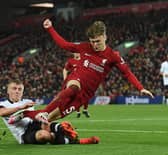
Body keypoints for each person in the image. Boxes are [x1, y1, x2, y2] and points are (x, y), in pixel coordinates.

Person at [11, 19, 154, 123]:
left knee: (53, 117)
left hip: (86, 94)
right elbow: (64, 44)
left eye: (97, 41)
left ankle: (25, 114)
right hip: (74, 80)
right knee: (73, 87)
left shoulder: (113, 56)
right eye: (92, 41)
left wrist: (140, 88)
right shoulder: (84, 47)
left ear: (105, 37)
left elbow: (127, 72)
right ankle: (44, 113)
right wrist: (50, 28)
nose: (94, 44)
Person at [0, 79, 99, 144]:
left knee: (56, 125)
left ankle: (61, 132)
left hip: (35, 124)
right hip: (24, 134)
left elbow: (37, 115)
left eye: (19, 89)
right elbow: (2, 113)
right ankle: (75, 141)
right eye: (14, 89)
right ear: (8, 91)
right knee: (45, 135)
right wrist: (21, 108)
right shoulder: (4, 104)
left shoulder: (28, 102)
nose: (17, 91)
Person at [63, 52, 90, 118]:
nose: (77, 54)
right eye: (75, 53)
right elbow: (65, 70)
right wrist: (65, 79)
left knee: (86, 96)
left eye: (78, 53)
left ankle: (85, 110)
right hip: (74, 81)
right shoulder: (71, 61)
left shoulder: (84, 61)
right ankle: (78, 111)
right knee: (77, 96)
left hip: (83, 80)